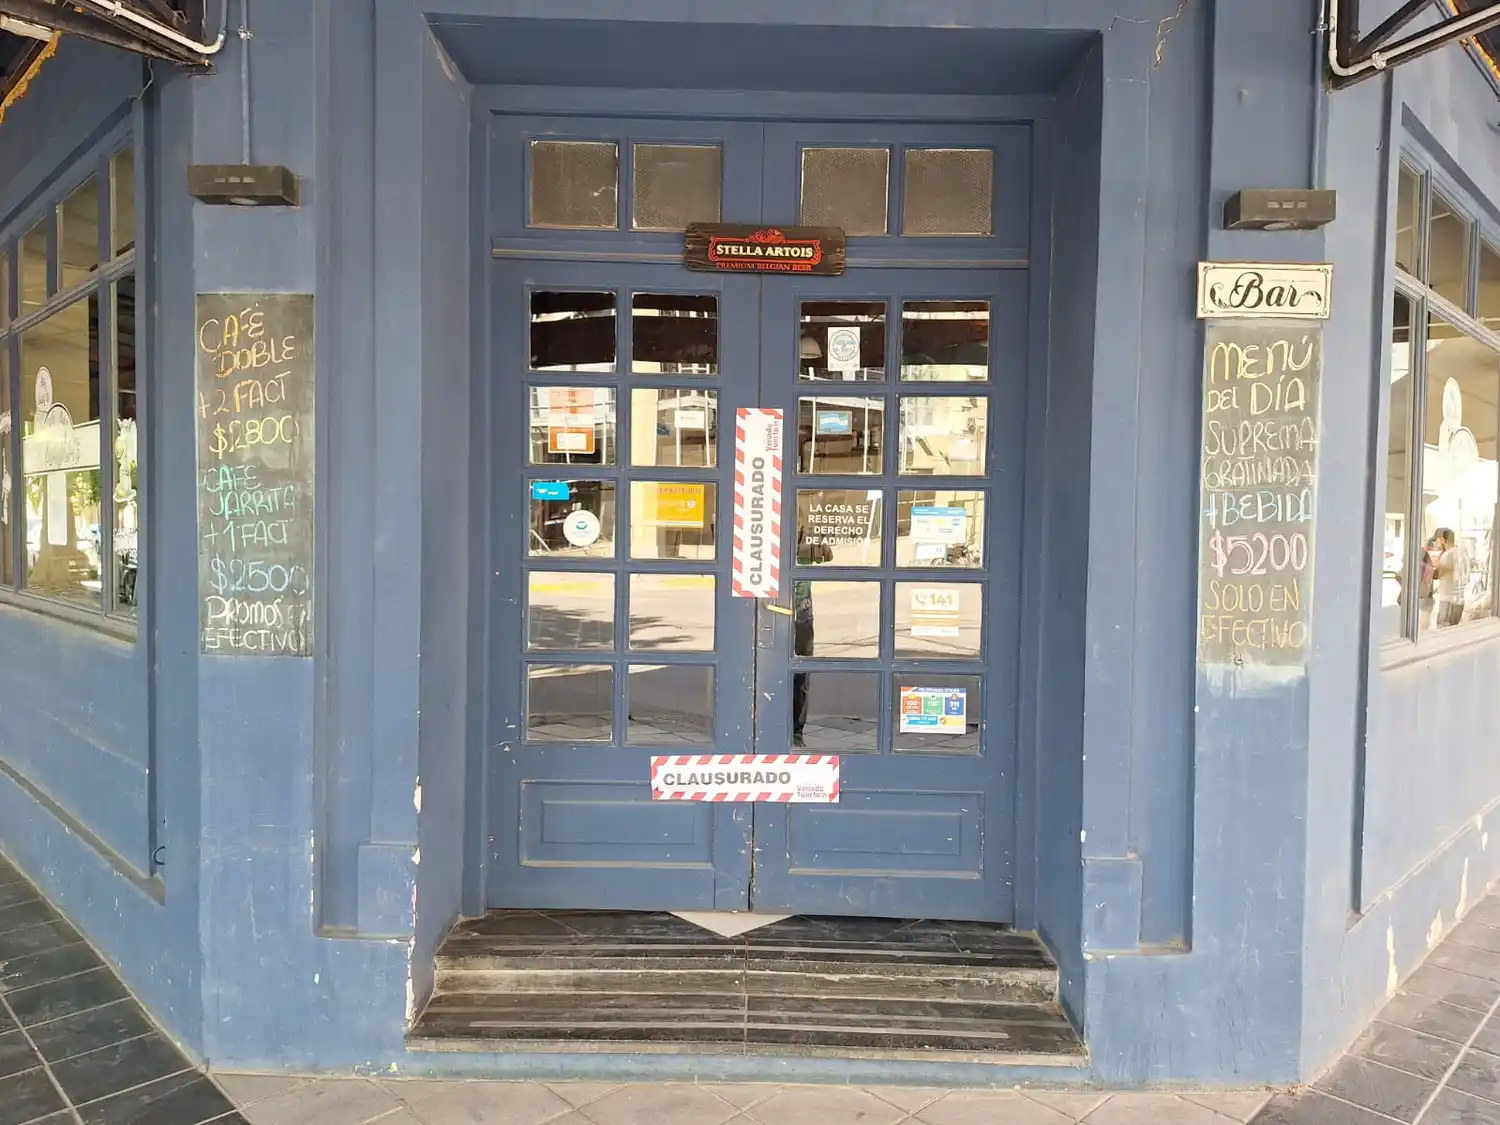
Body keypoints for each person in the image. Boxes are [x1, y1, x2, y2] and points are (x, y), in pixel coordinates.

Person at [792, 529, 832, 747]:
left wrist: (816, 547)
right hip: (774, 617)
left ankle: (796, 733)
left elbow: (828, 555)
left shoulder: (804, 551)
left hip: (803, 619)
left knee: (800, 678)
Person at [1431, 527, 1466, 629]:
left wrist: (1433, 563)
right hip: (1458, 601)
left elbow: (1436, 575)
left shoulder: (1447, 555)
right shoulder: (1460, 553)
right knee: (1452, 632)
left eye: (1437, 540)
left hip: (1448, 603)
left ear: (1443, 540)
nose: (1436, 544)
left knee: (1443, 632)